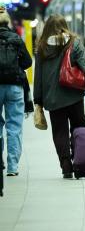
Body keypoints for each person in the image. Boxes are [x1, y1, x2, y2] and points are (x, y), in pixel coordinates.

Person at [33, 15, 85, 178]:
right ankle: (78, 159)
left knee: (59, 131)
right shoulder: (74, 42)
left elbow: (38, 76)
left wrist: (38, 100)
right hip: (73, 95)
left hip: (52, 98)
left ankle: (65, 165)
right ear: (65, 26)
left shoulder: (42, 47)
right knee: (78, 127)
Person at [0, 12, 33, 177]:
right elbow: (28, 62)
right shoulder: (16, 39)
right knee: (14, 127)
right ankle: (13, 166)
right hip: (14, 86)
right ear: (8, 22)